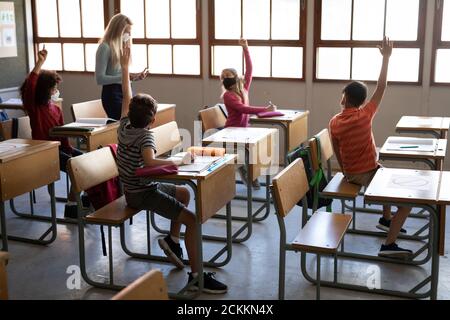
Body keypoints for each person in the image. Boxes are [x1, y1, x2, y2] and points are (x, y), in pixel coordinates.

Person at [117, 46, 228, 294]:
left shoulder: (123, 125)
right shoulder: (145, 137)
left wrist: (125, 69)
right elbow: (149, 162)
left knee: (184, 193)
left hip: (137, 187)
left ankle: (172, 240)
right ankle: (198, 275)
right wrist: (177, 162)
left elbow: (126, 94)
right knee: (193, 221)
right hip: (141, 192)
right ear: (153, 120)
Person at [329, 37, 413, 259]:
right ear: (362, 101)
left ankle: (386, 220)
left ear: (344, 98)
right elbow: (382, 86)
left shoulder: (335, 121)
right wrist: (386, 58)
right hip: (365, 175)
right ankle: (389, 244)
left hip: (353, 173)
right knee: (406, 205)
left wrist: (345, 170)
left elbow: (336, 149)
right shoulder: (365, 114)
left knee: (381, 169)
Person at [20, 47, 82, 218]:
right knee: (77, 167)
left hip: (59, 149)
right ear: (43, 89)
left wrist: (69, 149)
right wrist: (40, 63)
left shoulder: (55, 108)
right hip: (45, 151)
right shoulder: (34, 107)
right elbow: (31, 84)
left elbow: (62, 134)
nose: (56, 91)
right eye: (53, 88)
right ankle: (72, 207)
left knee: (86, 161)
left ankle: (79, 199)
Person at [220, 38, 276, 189]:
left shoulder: (243, 88)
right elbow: (243, 109)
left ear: (236, 77)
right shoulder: (228, 96)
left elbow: (249, 69)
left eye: (228, 75)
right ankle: (247, 176)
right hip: (232, 131)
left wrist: (245, 48)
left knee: (252, 153)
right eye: (223, 76)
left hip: (243, 129)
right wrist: (265, 109)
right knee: (241, 158)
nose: (226, 78)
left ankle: (252, 175)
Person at [95, 14, 149, 120]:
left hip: (126, 90)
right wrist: (125, 76)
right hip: (112, 95)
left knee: (136, 120)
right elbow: (100, 78)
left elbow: (121, 74)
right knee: (126, 123)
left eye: (129, 32)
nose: (128, 35)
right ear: (117, 30)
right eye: (126, 31)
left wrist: (133, 77)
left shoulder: (123, 46)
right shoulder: (104, 47)